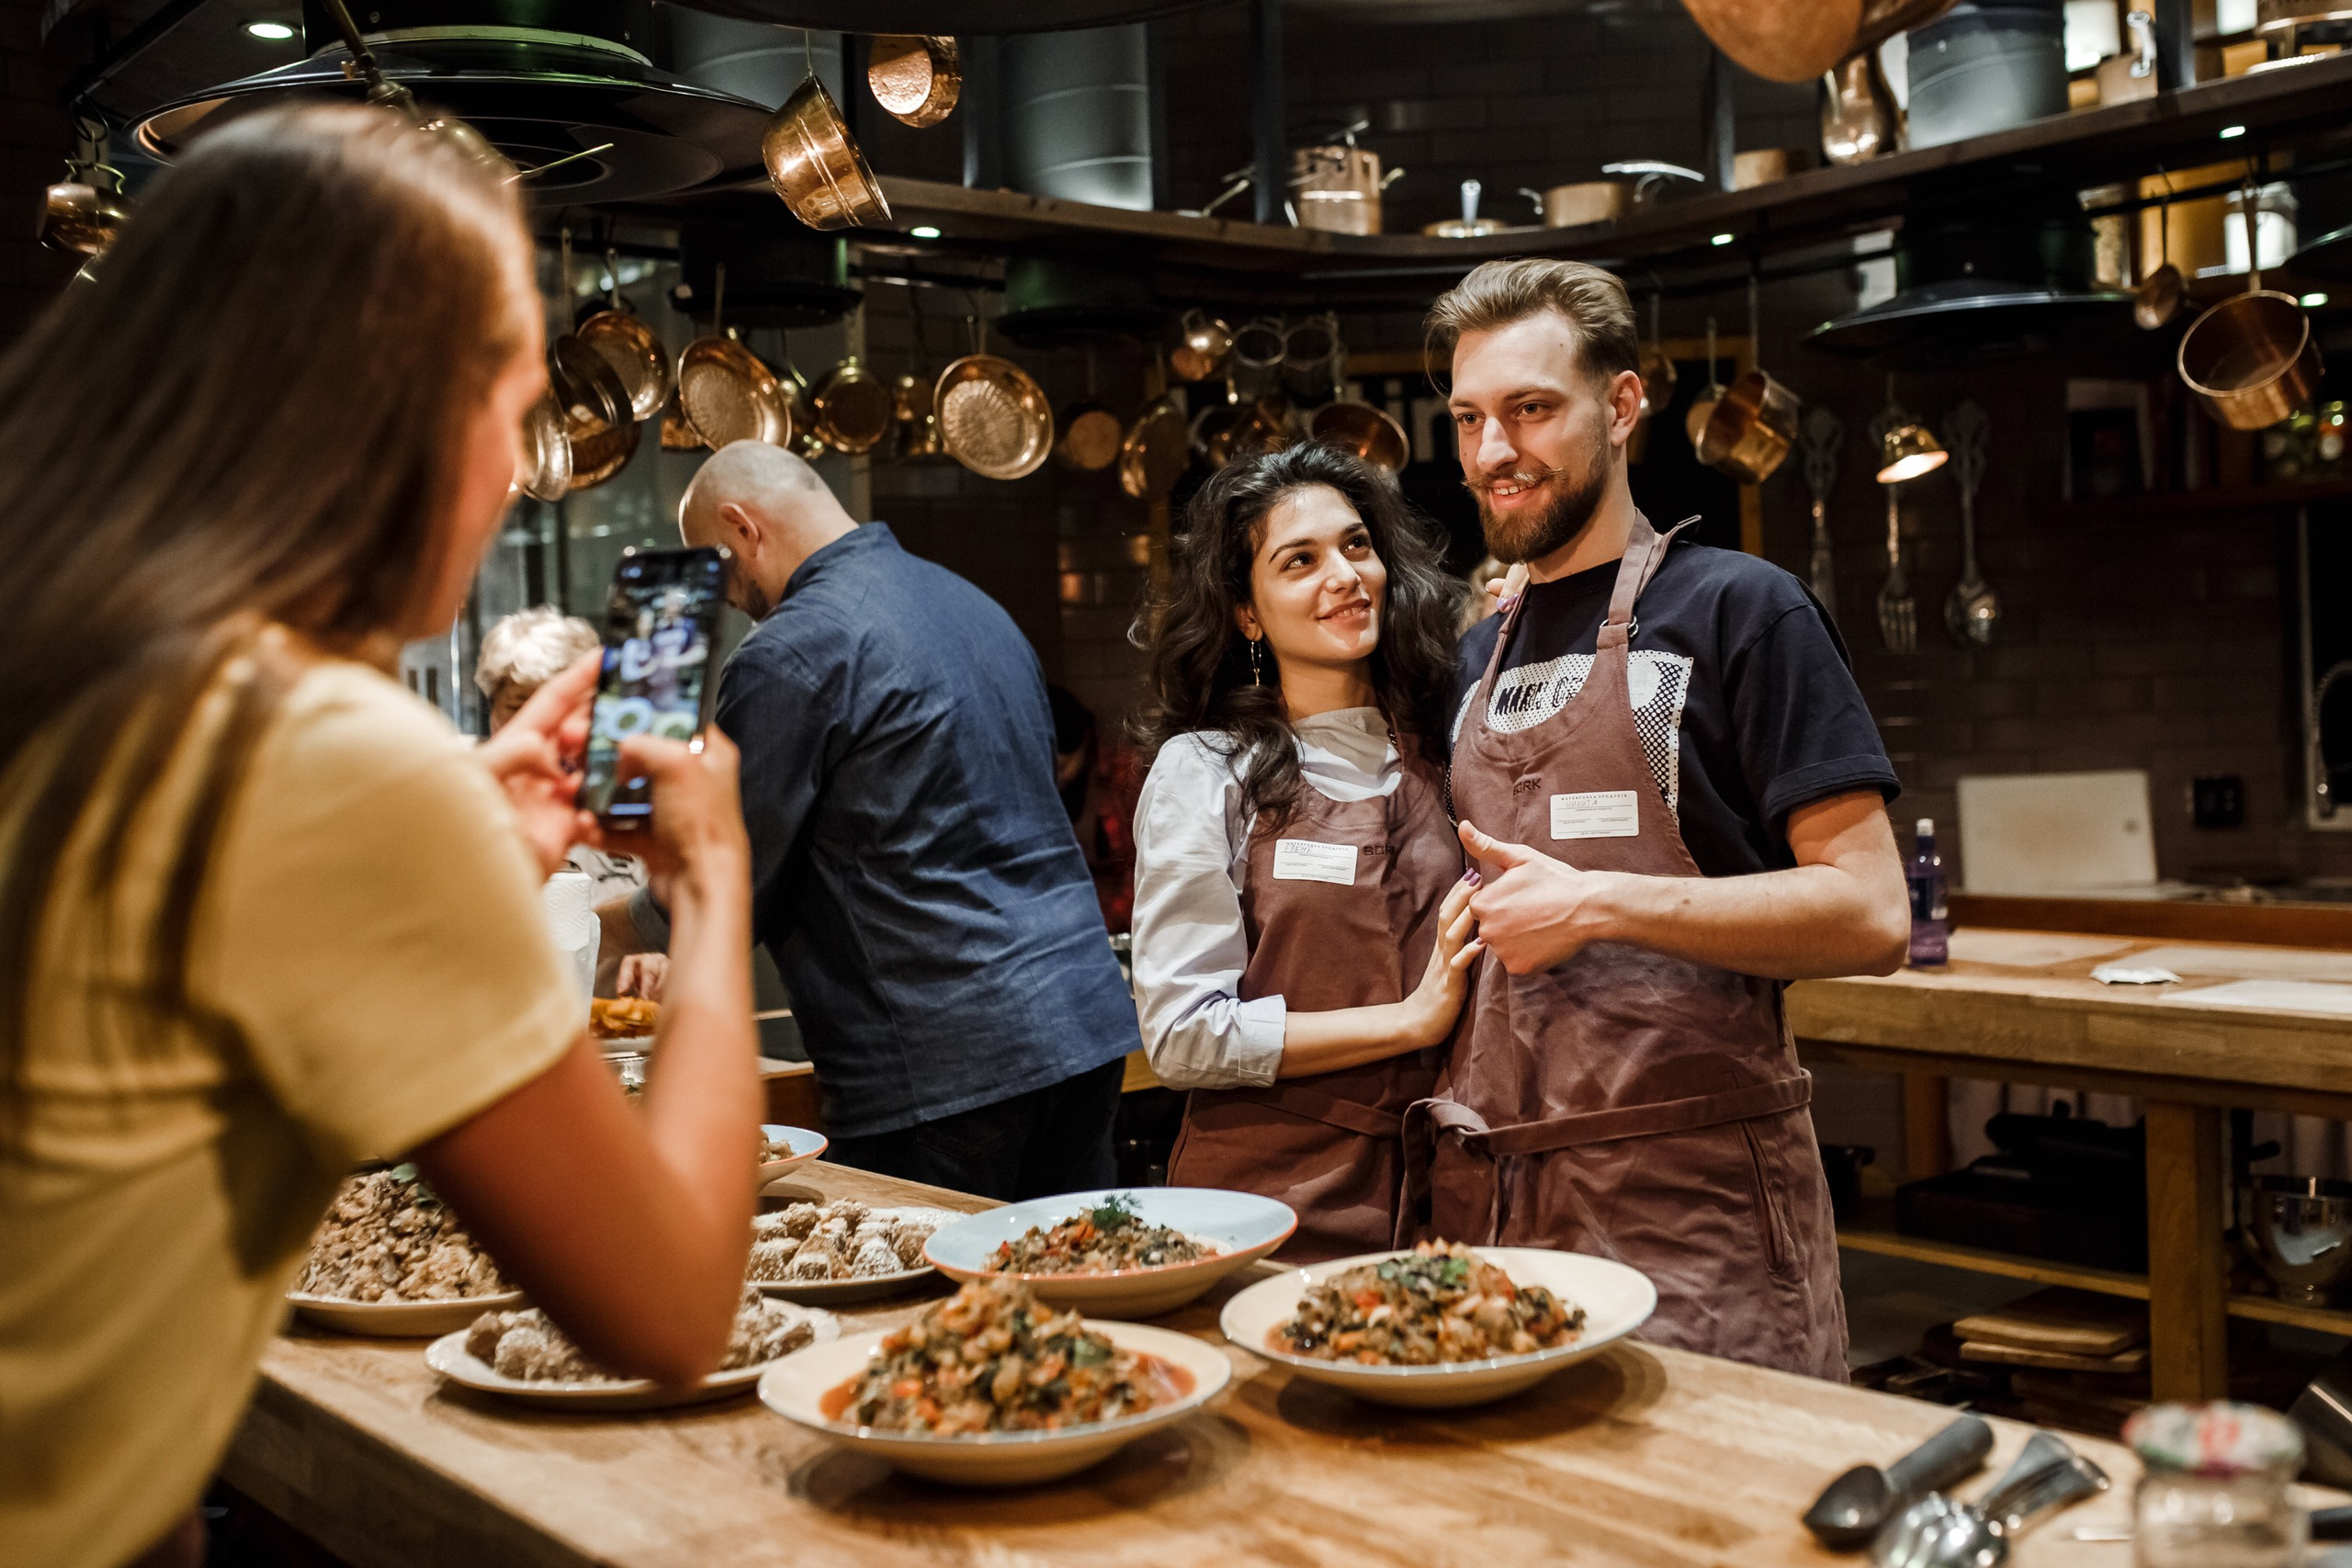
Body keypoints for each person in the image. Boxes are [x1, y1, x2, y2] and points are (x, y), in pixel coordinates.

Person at [0, 107, 763, 1568]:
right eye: (514, 406)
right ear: (394, 407)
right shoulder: (319, 754)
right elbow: (667, 1310)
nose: (512, 474)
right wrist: (713, 887)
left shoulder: (98, 665)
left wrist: (464, 830)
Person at [1415, 258, 1909, 1380]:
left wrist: (1597, 902)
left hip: (1694, 1209)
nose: (1495, 453)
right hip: (1500, 1212)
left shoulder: (1741, 609)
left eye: (1532, 410)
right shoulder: (1467, 655)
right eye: (1471, 419)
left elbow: (1872, 912)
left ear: (1623, 405)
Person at [604, 440, 1140, 1201]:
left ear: (742, 526)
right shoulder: (975, 606)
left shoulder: (787, 652)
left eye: (717, 564)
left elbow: (725, 884)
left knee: (932, 1311)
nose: (724, 595)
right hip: (1082, 1030)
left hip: (946, 1068)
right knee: (1069, 1295)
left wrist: (583, 929)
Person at [1130, 444, 1481, 1261]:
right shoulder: (1208, 769)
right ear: (1247, 612)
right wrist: (1409, 1020)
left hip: (1443, 1202)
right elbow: (1183, 1036)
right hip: (1267, 1206)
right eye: (1300, 560)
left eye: (1357, 545)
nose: (1344, 574)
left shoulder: (1448, 747)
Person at [477, 607, 665, 998]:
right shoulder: (463, 803)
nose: (541, 726)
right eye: (518, 705)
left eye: (560, 707)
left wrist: (659, 957)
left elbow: (669, 919)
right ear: (491, 709)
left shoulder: (623, 801)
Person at [1047, 684, 1141, 933]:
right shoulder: (1031, 781)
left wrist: (1091, 921)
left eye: (1061, 766)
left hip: (1112, 921)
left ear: (1084, 740)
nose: (1055, 778)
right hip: (1060, 916)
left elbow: (1139, 872)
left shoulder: (1122, 773)